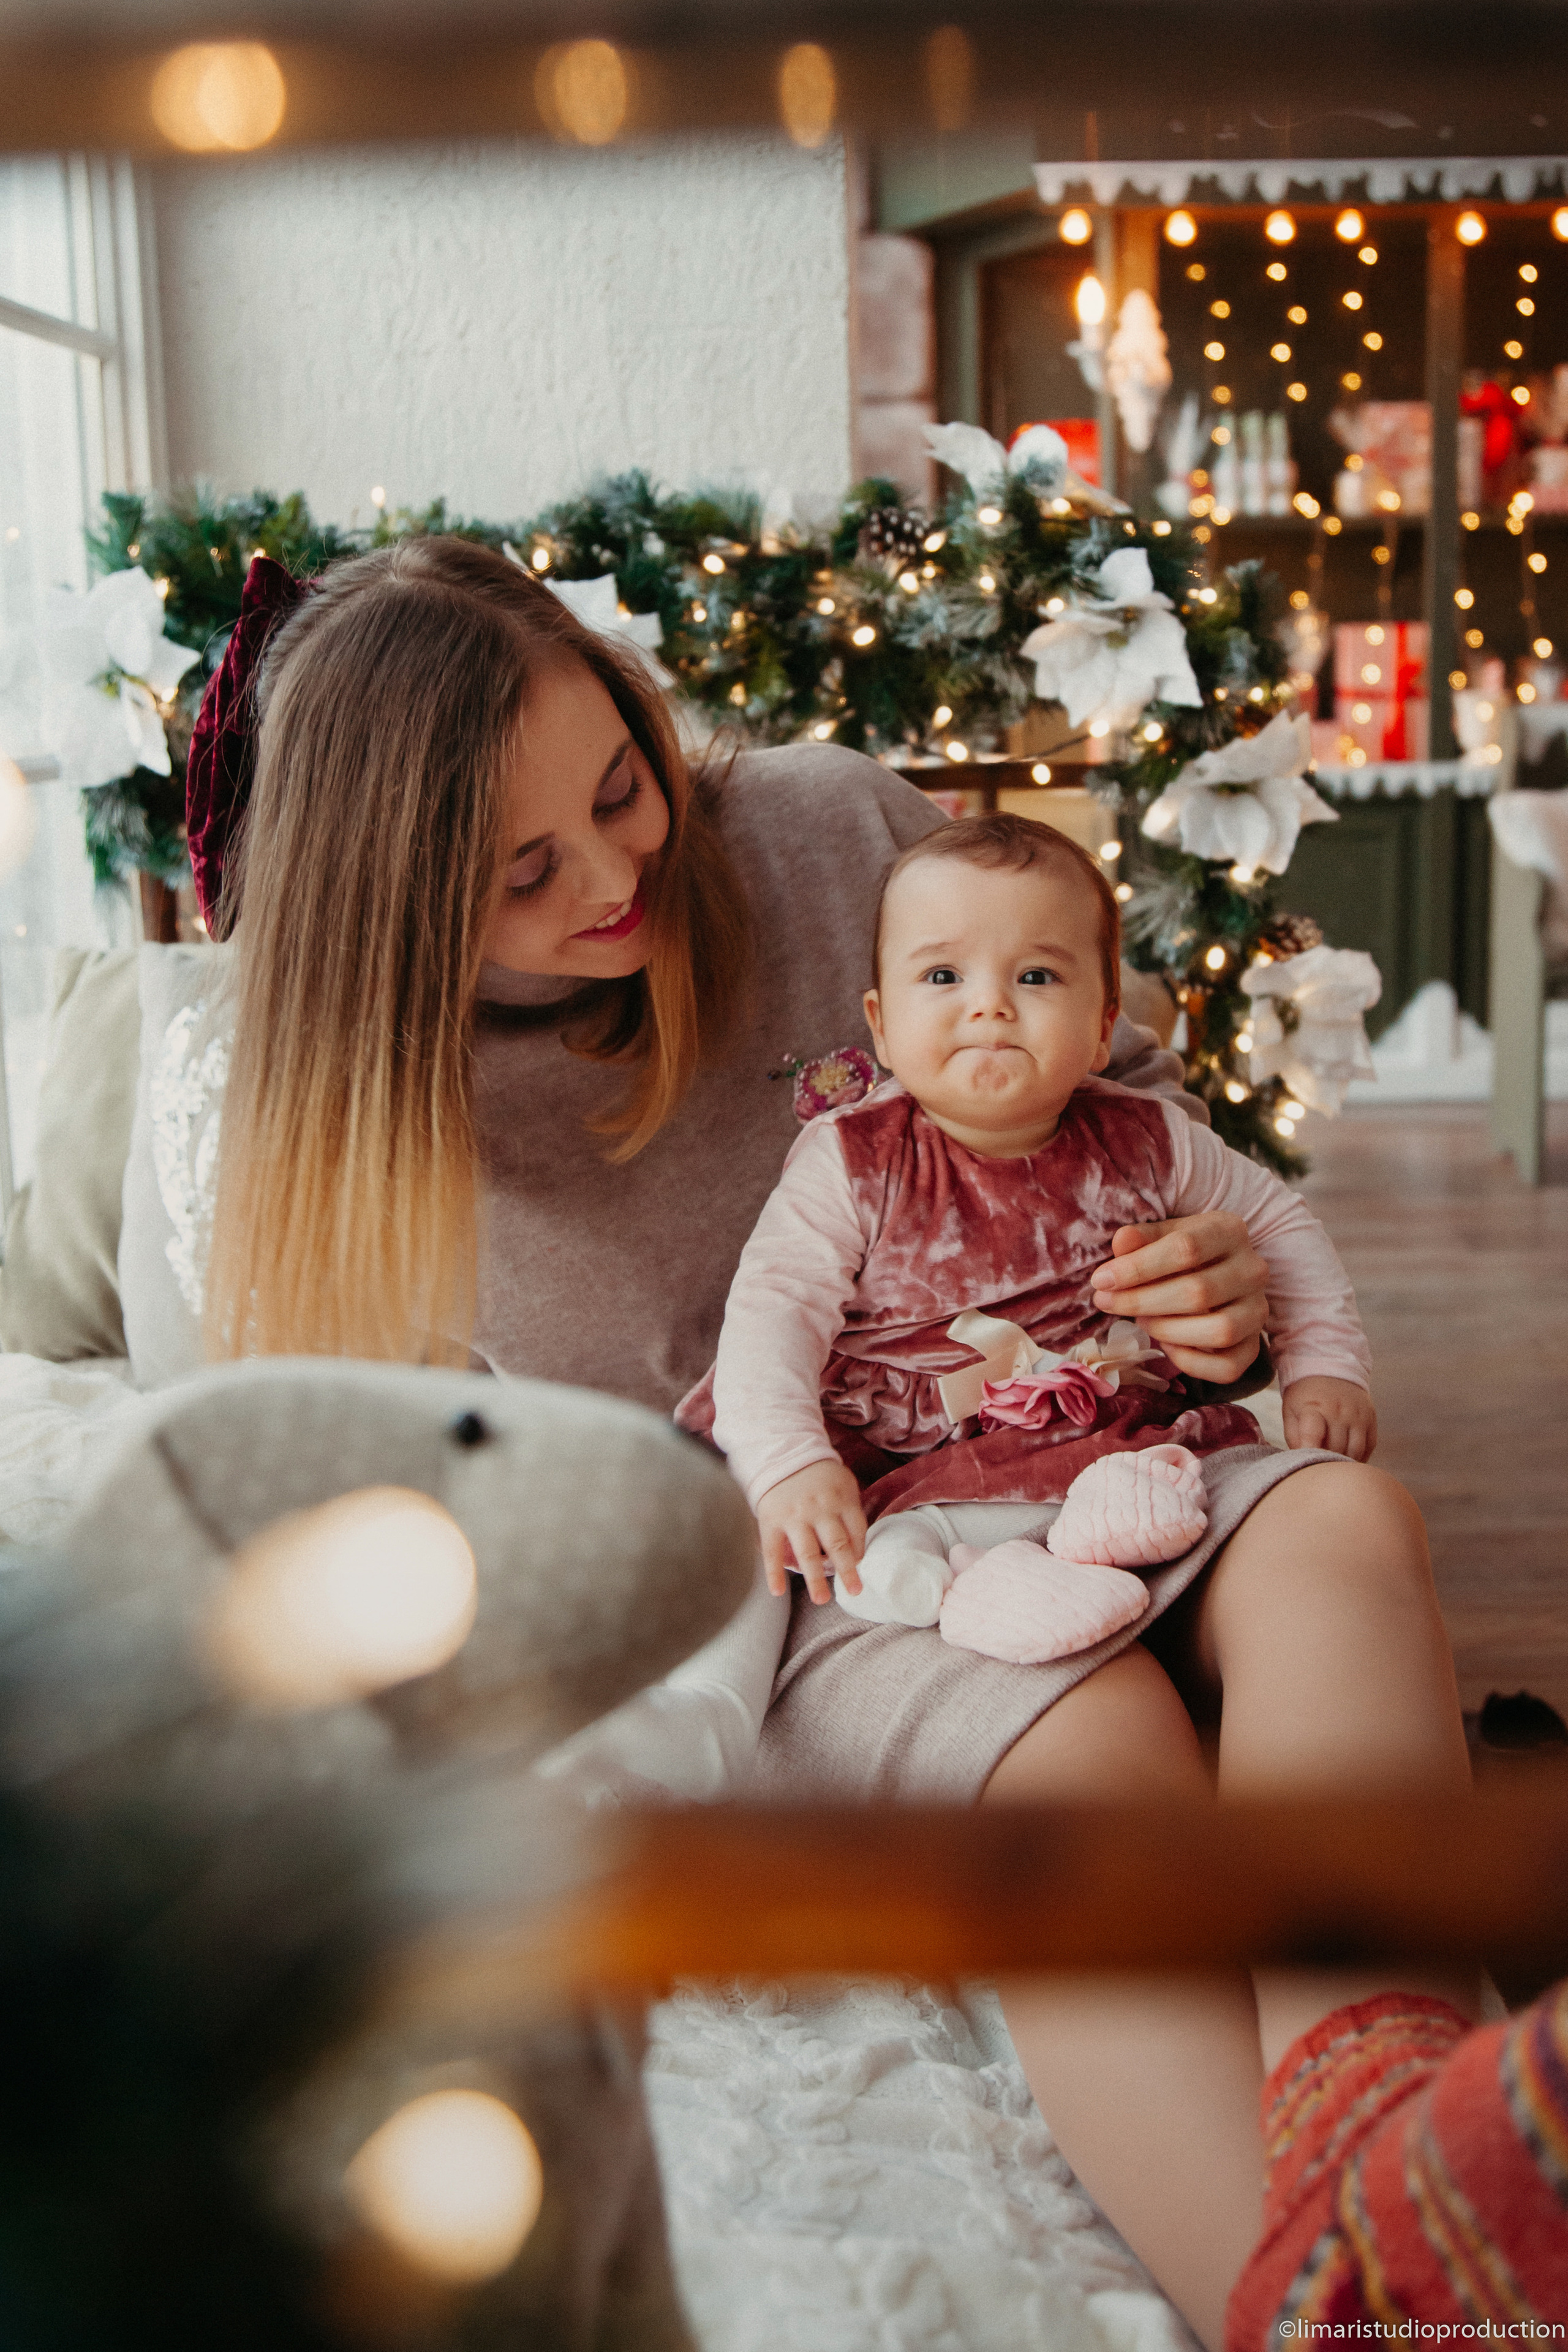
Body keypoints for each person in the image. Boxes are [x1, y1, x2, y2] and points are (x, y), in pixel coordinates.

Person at [189, 538, 1472, 2351]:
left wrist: (1216, 1289)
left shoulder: (830, 827)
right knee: (1079, 1739)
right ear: (394, 923)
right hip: (841, 1572)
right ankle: (1346, 2313)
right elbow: (398, 1527)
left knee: (1346, 1533)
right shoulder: (369, 1129)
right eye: (525, 874)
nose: (624, 871)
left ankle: (1424, 2159)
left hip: (1121, 1434)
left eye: (623, 785)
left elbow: (1133, 1108)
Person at [693, 812, 1374, 1668]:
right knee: (870, 1546)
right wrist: (790, 1463)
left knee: (1234, 1494)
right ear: (880, 1023)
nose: (990, 1003)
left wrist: (1327, 1366)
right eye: (942, 974)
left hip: (1108, 1442)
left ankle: (1093, 1552)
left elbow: (1280, 1226)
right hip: (916, 1461)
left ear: (1102, 1025)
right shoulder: (854, 1162)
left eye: (1039, 975)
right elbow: (771, 1316)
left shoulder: (1148, 1137)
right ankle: (962, 1575)